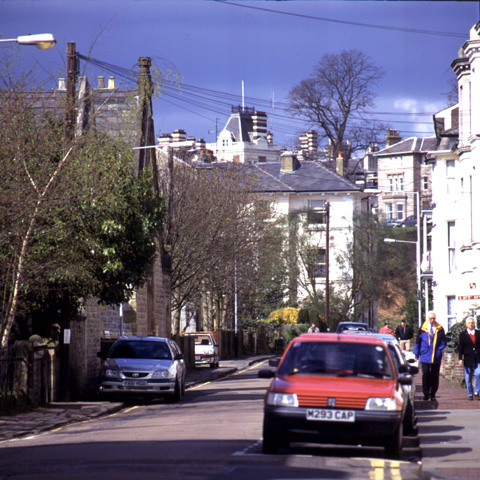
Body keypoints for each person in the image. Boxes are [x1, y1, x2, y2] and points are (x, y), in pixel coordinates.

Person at [414, 311, 447, 401]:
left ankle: (433, 393)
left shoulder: (439, 329)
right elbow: (417, 342)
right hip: (425, 355)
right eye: (431, 318)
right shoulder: (422, 329)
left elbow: (444, 341)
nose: (432, 320)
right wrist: (416, 355)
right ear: (428, 318)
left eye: (434, 318)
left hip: (436, 356)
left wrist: (439, 349)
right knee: (426, 374)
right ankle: (426, 393)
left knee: (435, 375)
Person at [458, 316, 480, 401]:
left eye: (472, 323)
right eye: (469, 323)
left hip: (478, 357)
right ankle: (470, 393)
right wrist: (460, 358)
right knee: (468, 377)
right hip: (468, 358)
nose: (471, 324)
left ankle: (477, 392)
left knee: (478, 373)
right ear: (466, 324)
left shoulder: (478, 333)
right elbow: (460, 347)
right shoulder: (463, 335)